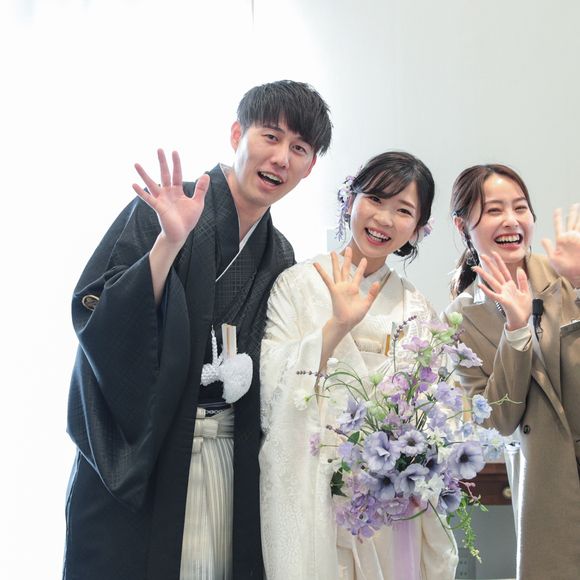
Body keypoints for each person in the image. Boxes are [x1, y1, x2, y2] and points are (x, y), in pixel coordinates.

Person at [64, 80, 332, 580]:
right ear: (236, 134)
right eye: (271, 136)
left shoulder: (279, 253)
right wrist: (168, 243)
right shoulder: (167, 207)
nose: (281, 158)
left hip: (223, 457)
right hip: (149, 453)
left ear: (310, 166)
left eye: (299, 148)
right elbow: (98, 316)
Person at [260, 152, 458, 579]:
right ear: (350, 200)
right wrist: (336, 327)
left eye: (403, 210)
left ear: (417, 228)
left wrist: (414, 460)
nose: (384, 219)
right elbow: (272, 387)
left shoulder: (417, 307)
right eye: (375, 199)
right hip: (315, 493)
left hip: (389, 507)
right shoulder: (297, 285)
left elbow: (439, 406)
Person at [444, 163, 580, 580]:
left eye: (520, 207)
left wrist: (579, 284)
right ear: (463, 225)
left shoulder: (565, 273)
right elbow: (499, 419)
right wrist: (516, 330)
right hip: (547, 486)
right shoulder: (461, 319)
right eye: (494, 210)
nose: (511, 220)